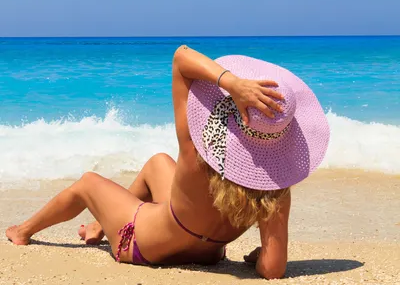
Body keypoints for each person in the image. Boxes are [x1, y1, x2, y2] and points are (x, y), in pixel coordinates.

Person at [6, 46, 329, 279]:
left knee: (88, 182)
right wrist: (258, 258)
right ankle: (99, 225)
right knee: (157, 163)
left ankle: (23, 231)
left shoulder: (195, 153)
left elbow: (181, 59)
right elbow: (273, 269)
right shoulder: (275, 190)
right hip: (209, 255)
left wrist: (232, 83)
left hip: (138, 246)